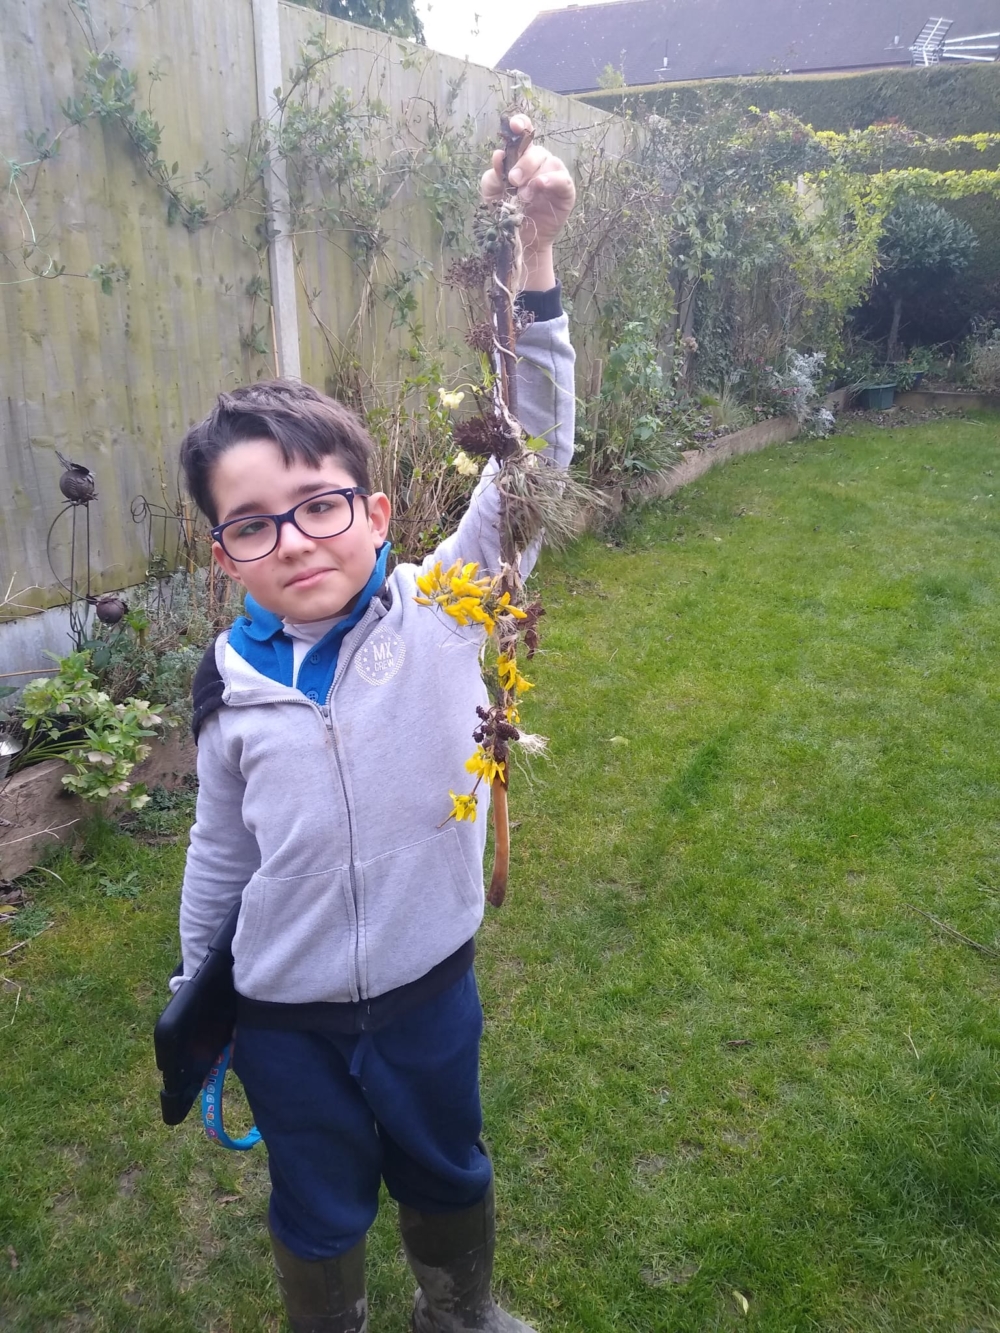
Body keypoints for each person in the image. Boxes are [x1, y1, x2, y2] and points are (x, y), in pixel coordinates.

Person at [172, 115, 576, 1333]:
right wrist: (199, 987)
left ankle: (460, 1312)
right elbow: (222, 852)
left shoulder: (452, 603)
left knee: (447, 1166)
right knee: (319, 1205)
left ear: (377, 506)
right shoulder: (227, 684)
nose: (292, 539)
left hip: (426, 990)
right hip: (284, 1021)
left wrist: (538, 264)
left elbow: (537, 456)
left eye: (318, 504)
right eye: (254, 523)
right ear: (223, 552)